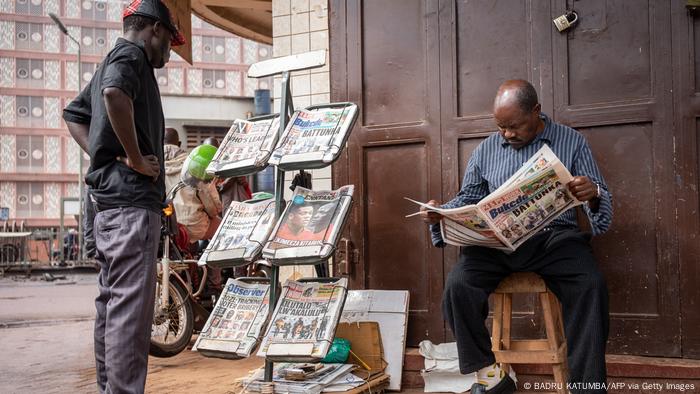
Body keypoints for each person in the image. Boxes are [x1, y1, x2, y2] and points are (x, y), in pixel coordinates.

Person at [421, 80, 613, 394]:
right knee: (458, 287)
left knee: (590, 284)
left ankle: (587, 387)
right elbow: (468, 197)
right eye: (501, 127)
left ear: (536, 112)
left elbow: (599, 204)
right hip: (497, 244)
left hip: (554, 239)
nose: (507, 134)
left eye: (515, 126)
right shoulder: (486, 149)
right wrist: (441, 213)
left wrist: (592, 195)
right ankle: (493, 376)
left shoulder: (572, 142)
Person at [61, 0, 185, 392]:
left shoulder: (107, 62)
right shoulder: (131, 57)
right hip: (131, 204)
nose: (169, 50)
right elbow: (115, 94)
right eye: (170, 40)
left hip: (108, 205)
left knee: (112, 306)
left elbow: (74, 115)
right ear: (155, 30)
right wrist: (131, 158)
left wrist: (106, 155)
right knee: (130, 314)